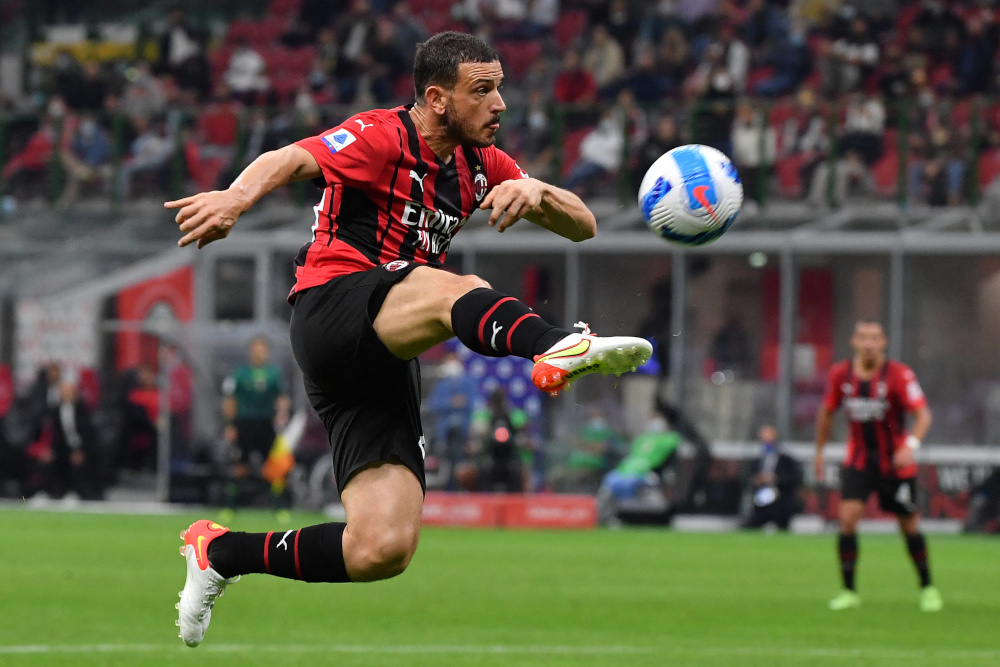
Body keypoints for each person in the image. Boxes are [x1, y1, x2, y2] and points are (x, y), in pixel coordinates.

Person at [166, 31, 652, 647]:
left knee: (381, 548)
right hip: (332, 308)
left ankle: (220, 553)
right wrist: (236, 199)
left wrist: (539, 191)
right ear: (437, 99)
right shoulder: (382, 136)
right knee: (453, 285)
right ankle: (556, 344)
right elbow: (292, 158)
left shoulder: (481, 163)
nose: (500, 102)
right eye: (483, 90)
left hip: (385, 354)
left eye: (501, 86)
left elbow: (581, 226)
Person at [815, 320, 941, 612]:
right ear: (853, 342)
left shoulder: (899, 374)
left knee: (908, 525)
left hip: (895, 465)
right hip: (859, 461)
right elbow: (827, 412)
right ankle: (849, 591)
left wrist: (910, 446)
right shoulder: (840, 374)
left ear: (883, 342)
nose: (868, 343)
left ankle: (928, 587)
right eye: (863, 337)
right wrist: (819, 451)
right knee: (847, 519)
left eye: (874, 338)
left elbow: (923, 415)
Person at [221, 337, 291, 513]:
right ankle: (231, 507)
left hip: (266, 424)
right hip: (245, 423)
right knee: (240, 465)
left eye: (263, 348)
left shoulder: (273, 373)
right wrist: (229, 425)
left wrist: (282, 413)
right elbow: (230, 400)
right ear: (250, 350)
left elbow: (281, 397)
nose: (260, 351)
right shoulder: (239, 373)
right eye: (256, 348)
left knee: (274, 465)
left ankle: (278, 508)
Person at [741, 424, 802, 531]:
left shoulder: (786, 461)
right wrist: (757, 480)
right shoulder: (756, 462)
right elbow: (746, 479)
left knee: (783, 527)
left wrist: (775, 479)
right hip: (761, 504)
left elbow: (794, 478)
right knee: (748, 527)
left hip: (781, 502)